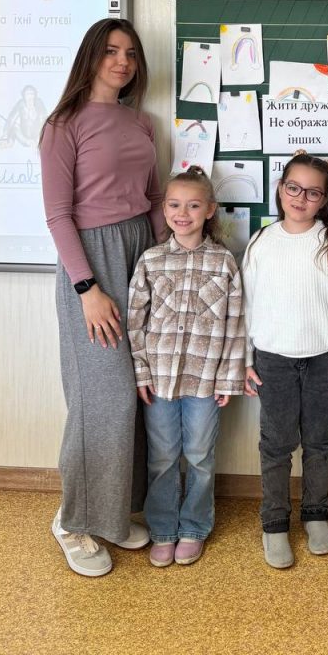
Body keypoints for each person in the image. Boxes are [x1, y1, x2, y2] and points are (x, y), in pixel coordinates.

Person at [39, 18, 165, 577]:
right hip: (91, 261)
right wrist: (87, 289)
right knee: (102, 397)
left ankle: (110, 515)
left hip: (140, 253)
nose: (122, 62)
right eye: (111, 51)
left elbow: (153, 198)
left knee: (135, 393)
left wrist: (165, 261)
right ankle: (73, 521)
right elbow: (57, 215)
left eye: (131, 53)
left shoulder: (141, 122)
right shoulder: (62, 125)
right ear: (90, 57)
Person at [242, 152, 328, 570]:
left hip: (324, 360)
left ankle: (316, 513)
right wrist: (243, 358)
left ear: (324, 199)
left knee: (319, 441)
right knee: (276, 444)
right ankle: (274, 521)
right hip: (273, 361)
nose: (300, 198)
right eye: (293, 188)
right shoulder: (261, 242)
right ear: (280, 189)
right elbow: (246, 305)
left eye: (312, 192)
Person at [128, 166, 245, 568]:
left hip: (205, 380)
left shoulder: (224, 262)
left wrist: (228, 377)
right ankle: (163, 529)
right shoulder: (151, 260)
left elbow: (236, 324)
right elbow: (134, 322)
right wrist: (141, 372)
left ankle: (194, 527)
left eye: (193, 206)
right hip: (159, 378)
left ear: (209, 210)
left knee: (199, 455)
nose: (183, 213)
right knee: (162, 457)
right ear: (164, 210)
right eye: (175, 205)